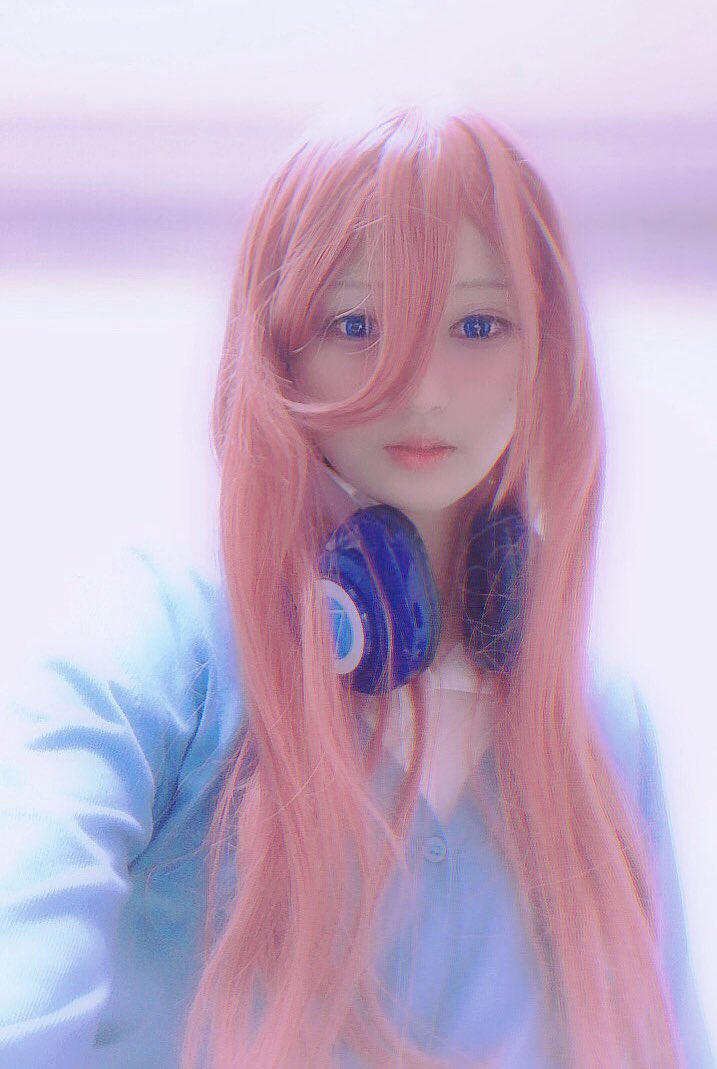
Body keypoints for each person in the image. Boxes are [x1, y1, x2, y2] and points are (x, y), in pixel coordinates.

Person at [1, 104, 714, 1069]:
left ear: (543, 348)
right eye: (355, 323)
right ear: (278, 343)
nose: (420, 387)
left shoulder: (599, 720)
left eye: (477, 324)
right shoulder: (160, 649)